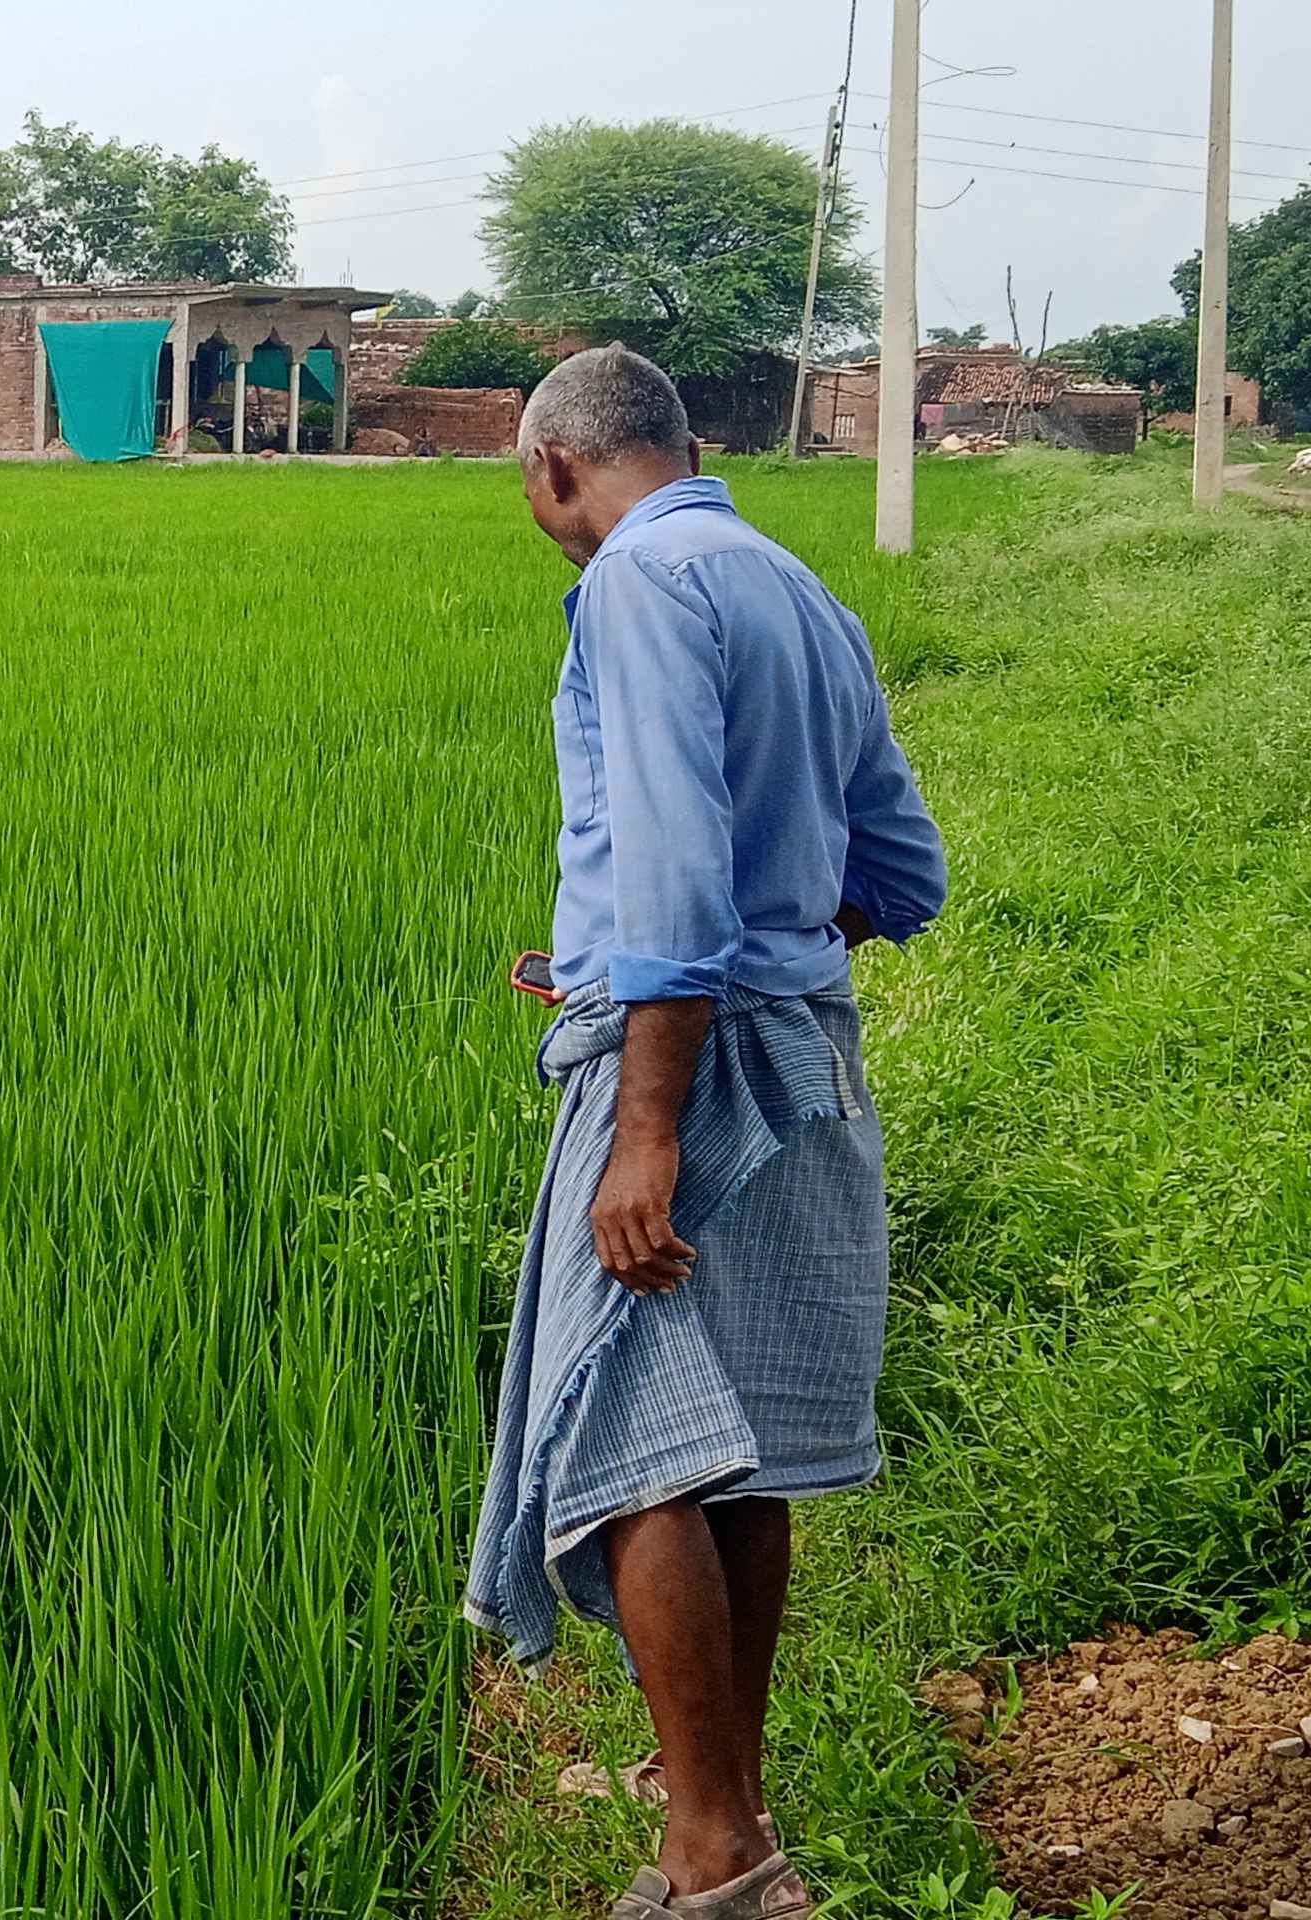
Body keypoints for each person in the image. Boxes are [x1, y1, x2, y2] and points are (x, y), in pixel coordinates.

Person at [460, 346, 949, 1920]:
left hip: (684, 1062)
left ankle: (712, 1857)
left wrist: (649, 1123)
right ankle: (723, 1805)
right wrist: (784, 946)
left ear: (553, 469)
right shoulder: (798, 587)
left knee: (628, 1446)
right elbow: (903, 871)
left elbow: (671, 875)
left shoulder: (637, 583)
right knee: (735, 1453)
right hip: (806, 1050)